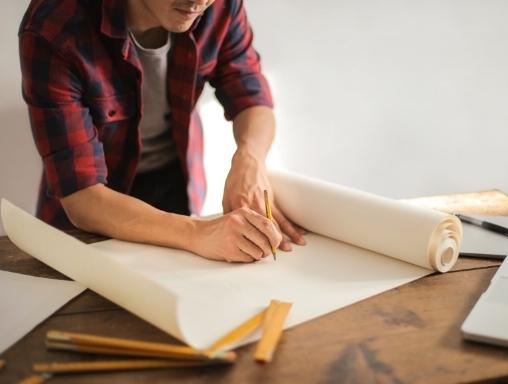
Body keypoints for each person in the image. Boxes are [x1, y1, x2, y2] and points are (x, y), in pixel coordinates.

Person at [18, 0, 305, 263]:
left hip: (175, 181)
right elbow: (82, 198)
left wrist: (249, 159)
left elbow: (251, 96)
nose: (198, 2)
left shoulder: (219, 6)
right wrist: (197, 232)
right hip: (92, 213)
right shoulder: (54, 26)